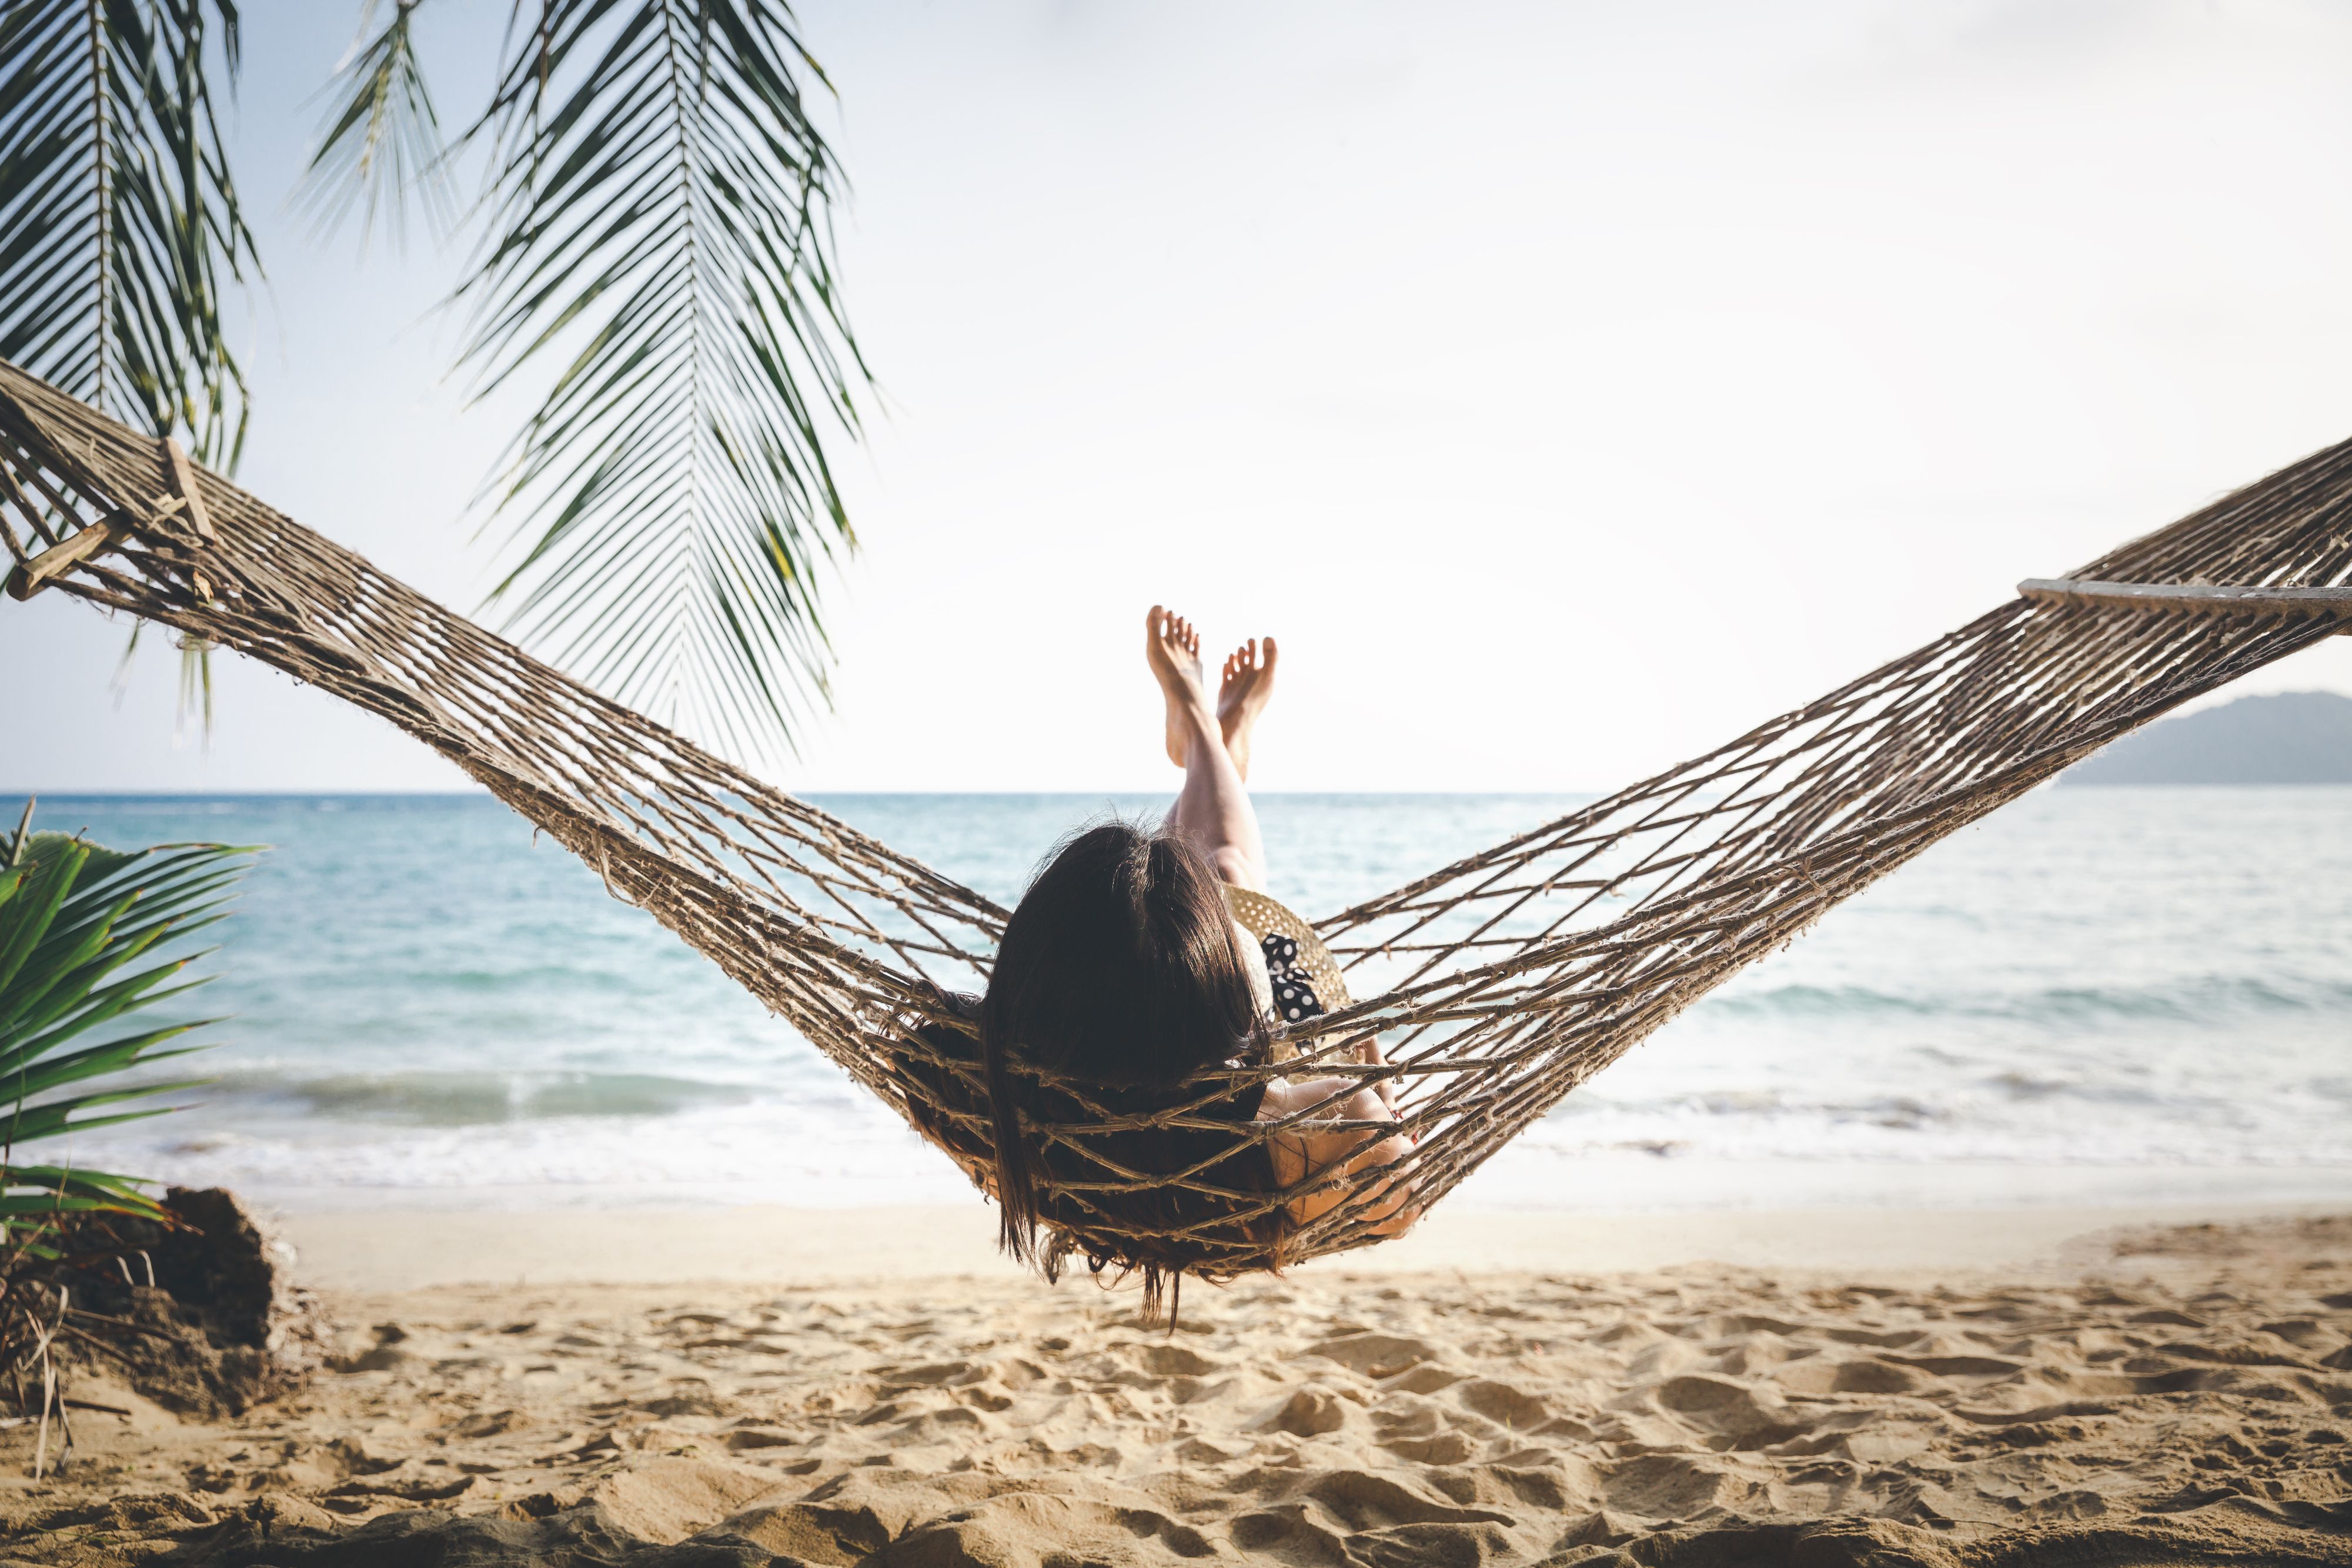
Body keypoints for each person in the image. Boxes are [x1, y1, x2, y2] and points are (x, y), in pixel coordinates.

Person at [967, 607, 1419, 1299]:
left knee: (1184, 882)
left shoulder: (1008, 1092)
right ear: (1232, 999)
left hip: (1108, 1116)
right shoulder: (1323, 1123)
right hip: (1266, 1083)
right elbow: (1396, 1211)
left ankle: (1208, 738)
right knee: (1228, 870)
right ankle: (1204, 731)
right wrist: (1372, 1081)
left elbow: (923, 1061)